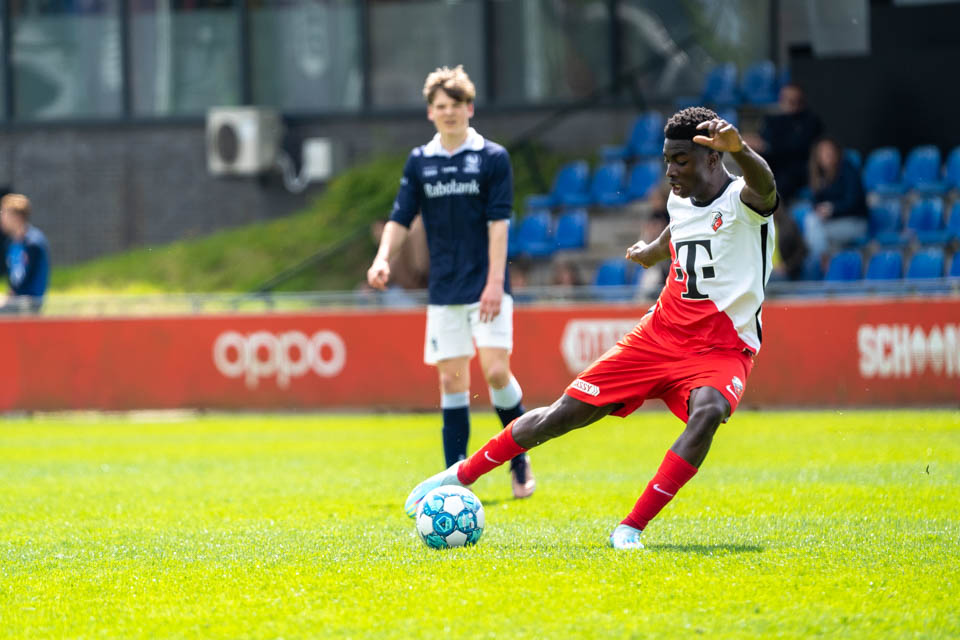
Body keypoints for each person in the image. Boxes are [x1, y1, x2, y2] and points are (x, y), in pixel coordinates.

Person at [403, 107, 778, 550]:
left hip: (722, 348)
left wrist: (741, 149)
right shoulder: (679, 200)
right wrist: (651, 251)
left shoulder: (743, 201)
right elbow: (679, 232)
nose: (671, 171)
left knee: (709, 411)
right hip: (659, 335)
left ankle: (630, 528)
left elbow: (766, 188)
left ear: (713, 158)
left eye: (681, 161)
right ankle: (459, 475)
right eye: (667, 161)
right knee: (563, 415)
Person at [367, 65, 535, 499]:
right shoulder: (420, 161)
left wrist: (495, 283)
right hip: (444, 290)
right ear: (430, 112)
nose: (449, 112)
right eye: (441, 106)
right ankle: (455, 481)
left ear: (469, 108)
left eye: (456, 105)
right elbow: (400, 218)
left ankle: (519, 457)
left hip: (487, 285)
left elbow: (499, 224)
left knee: (496, 372)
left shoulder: (492, 157)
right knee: (452, 383)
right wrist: (383, 258)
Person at [747, 84, 823, 202]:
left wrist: (768, 146)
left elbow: (798, 147)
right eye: (786, 99)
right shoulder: (772, 120)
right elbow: (763, 141)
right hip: (772, 164)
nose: (790, 103)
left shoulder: (811, 121)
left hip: (796, 169)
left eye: (795, 100)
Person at [803, 137, 868, 273]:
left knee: (814, 229)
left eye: (829, 151)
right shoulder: (820, 175)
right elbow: (815, 202)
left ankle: (820, 267)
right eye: (822, 152)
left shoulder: (848, 169)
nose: (826, 155)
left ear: (836, 152)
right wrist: (822, 210)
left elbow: (854, 202)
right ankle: (824, 263)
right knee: (811, 221)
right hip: (832, 223)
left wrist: (832, 209)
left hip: (855, 222)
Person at [0, 193, 49, 313]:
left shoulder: (33, 243)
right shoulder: (10, 243)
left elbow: (26, 283)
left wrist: (9, 300)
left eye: (4, 214)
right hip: (16, 299)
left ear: (16, 217)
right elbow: (14, 280)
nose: (2, 219)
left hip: (31, 302)